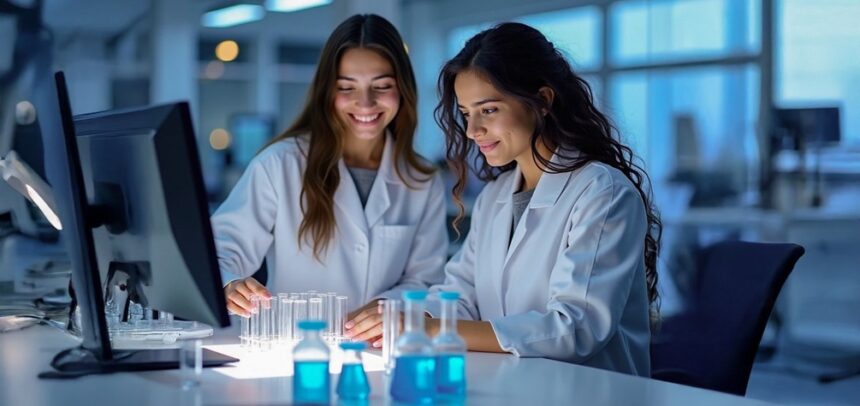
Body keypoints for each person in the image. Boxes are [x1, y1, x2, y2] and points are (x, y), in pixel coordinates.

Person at [347, 22, 661, 375]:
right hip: (514, 385)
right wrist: (394, 313)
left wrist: (430, 327)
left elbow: (576, 328)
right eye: (466, 113)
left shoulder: (602, 192)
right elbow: (461, 299)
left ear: (542, 101)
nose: (472, 130)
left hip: (593, 391)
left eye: (489, 110)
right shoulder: (496, 196)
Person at [211, 14, 447, 329]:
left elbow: (426, 280)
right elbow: (223, 247)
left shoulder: (421, 179)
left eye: (382, 86)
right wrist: (230, 283)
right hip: (294, 349)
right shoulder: (280, 164)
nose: (365, 103)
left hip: (382, 349)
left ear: (402, 89)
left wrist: (386, 307)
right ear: (327, 92)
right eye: (347, 87)